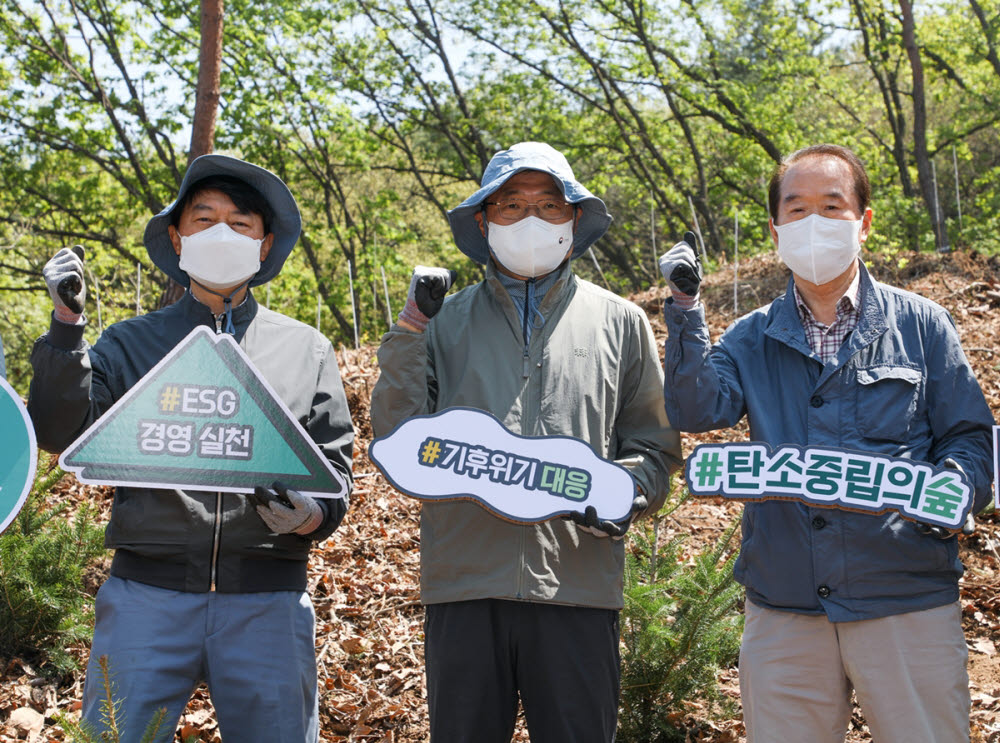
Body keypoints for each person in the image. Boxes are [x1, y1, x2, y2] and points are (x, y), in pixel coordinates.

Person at [659, 143, 994, 743]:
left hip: (905, 598)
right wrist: (685, 307)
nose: (814, 223)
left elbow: (969, 437)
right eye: (797, 209)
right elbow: (695, 407)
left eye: (832, 207)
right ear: (776, 229)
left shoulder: (921, 325)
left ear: (863, 222)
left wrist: (952, 495)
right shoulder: (750, 336)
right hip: (785, 605)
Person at [28, 155, 354, 743]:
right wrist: (66, 325)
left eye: (240, 223)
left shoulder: (305, 349)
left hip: (268, 602)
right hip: (144, 599)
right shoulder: (129, 342)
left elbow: (333, 468)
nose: (221, 234)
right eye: (203, 219)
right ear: (176, 237)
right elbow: (59, 431)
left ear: (265, 243)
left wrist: (311, 513)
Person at [371, 141, 682, 742]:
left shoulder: (620, 322)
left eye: (549, 204)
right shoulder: (443, 323)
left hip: (578, 584)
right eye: (511, 205)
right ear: (484, 221)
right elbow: (398, 439)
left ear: (574, 219)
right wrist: (409, 330)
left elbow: (655, 447)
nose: (532, 219)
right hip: (465, 580)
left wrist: (625, 496)